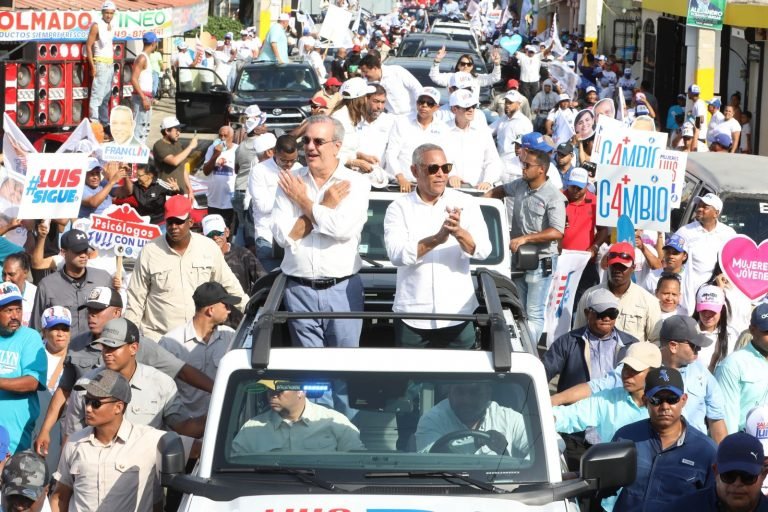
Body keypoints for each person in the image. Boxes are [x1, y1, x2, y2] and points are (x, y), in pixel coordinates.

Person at [33, 286, 212, 457]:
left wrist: (222, 397)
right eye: (90, 311)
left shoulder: (158, 377)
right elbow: (66, 397)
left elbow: (182, 373)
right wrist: (46, 431)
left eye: (98, 311)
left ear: (133, 348)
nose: (92, 316)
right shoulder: (82, 376)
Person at [270, 116, 370, 348]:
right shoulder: (290, 181)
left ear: (337, 146)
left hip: (342, 289)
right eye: (306, 141)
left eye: (318, 141)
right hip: (298, 289)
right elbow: (283, 236)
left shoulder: (355, 183)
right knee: (308, 371)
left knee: (344, 368)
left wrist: (303, 201)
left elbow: (342, 229)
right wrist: (325, 207)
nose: (309, 147)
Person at [384, 143, 490, 348]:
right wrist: (436, 239)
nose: (441, 174)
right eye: (433, 168)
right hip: (413, 315)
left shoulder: (466, 203)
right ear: (415, 171)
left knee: (458, 380)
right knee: (412, 379)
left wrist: (459, 232)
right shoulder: (398, 208)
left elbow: (484, 250)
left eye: (446, 168)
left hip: (458, 314)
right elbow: (396, 255)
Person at [125, 195, 247, 340]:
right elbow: (135, 298)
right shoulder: (149, 251)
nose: (174, 227)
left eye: (179, 221)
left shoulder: (208, 248)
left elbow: (230, 284)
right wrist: (128, 337)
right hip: (159, 339)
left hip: (199, 340)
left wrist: (251, 310)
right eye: (170, 222)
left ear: (190, 221)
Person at [485, 132, 566, 344]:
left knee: (534, 312)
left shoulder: (553, 196)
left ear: (541, 169)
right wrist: (483, 199)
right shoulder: (520, 185)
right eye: (523, 164)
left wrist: (525, 239)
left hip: (541, 260)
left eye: (527, 165)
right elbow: (501, 190)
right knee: (519, 308)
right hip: (519, 258)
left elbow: (557, 232)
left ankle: (527, 351)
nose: (523, 168)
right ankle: (519, 345)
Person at [62, 318, 205, 439]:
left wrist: (216, 417)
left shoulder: (161, 384)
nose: (107, 353)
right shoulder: (85, 386)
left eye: (113, 347)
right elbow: (72, 439)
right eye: (104, 347)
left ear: (133, 348)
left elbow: (183, 427)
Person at [50, 370, 171, 512]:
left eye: (95, 403)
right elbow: (60, 497)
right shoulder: (74, 442)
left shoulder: (148, 439)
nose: (88, 408)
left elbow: (197, 450)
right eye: (86, 400)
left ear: (118, 407)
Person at [608, 367, 716, 512]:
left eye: (672, 399)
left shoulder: (707, 451)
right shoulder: (625, 437)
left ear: (683, 400)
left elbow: (715, 503)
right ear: (645, 400)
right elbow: (602, 483)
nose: (665, 406)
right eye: (656, 400)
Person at [553, 342, 662, 444]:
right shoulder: (607, 399)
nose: (626, 374)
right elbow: (570, 416)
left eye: (635, 370)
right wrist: (547, 417)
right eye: (625, 367)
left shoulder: (671, 404)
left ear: (654, 372)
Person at [158, 282, 237, 417]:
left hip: (220, 423)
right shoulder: (170, 344)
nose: (229, 310)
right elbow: (159, 388)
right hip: (184, 428)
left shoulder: (231, 337)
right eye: (226, 306)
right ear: (210, 310)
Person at [544, 288, 638, 392]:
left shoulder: (632, 345)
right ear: (587, 313)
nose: (607, 318)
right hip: (577, 406)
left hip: (617, 405)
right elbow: (543, 372)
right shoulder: (567, 342)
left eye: (612, 313)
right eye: (602, 313)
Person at [231, 379, 364, 453]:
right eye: (269, 390)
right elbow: (233, 470)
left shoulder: (334, 422)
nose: (272, 395)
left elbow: (357, 462)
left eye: (279, 390)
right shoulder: (252, 429)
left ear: (301, 392)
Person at [30, 230, 112, 337]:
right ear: (63, 252)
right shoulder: (47, 286)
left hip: (95, 350)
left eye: (85, 250)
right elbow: (36, 329)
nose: (83, 255)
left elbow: (114, 317)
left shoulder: (103, 278)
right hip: (61, 351)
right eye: (78, 251)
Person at [574, 242, 662, 342]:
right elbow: (578, 334)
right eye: (614, 265)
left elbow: (657, 341)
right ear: (608, 265)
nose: (617, 270)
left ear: (633, 268)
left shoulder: (648, 301)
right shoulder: (589, 295)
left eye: (623, 266)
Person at [415, 381, 529, 455]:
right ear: (449, 394)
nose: (466, 400)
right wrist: (476, 442)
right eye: (460, 392)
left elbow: (539, 452)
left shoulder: (508, 418)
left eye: (475, 392)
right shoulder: (432, 419)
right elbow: (430, 458)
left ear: (488, 394)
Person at [662, 432, 768, 512]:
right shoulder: (682, 508)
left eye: (747, 476)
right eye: (729, 475)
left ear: (763, 475)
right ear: (716, 472)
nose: (737, 483)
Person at [0, 283, 46, 455]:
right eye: (8, 310)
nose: (15, 316)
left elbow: (31, 382)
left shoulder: (30, 337)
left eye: (18, 309)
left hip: (16, 438)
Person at [674, 193, 736, 314]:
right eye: (699, 206)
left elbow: (736, 260)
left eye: (705, 207)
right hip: (690, 295)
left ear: (716, 213)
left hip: (718, 294)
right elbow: (671, 257)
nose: (699, 209)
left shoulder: (729, 234)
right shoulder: (685, 232)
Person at [249, 134, 301, 272]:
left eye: (293, 160)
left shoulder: (300, 169)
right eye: (284, 160)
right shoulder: (259, 171)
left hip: (295, 238)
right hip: (267, 238)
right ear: (274, 152)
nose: (289, 165)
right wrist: (291, 195)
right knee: (271, 287)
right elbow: (263, 207)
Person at [201, 214, 264, 327]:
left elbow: (263, 281)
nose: (215, 238)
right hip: (213, 326)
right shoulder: (200, 260)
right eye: (210, 235)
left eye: (218, 233)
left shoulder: (243, 254)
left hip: (242, 323)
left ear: (227, 232)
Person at [715, 303, 768, 434]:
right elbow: (727, 419)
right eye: (767, 331)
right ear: (752, 330)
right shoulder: (732, 365)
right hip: (746, 445)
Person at [384, 87, 448, 193]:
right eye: (421, 101)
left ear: (436, 107)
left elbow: (445, 159)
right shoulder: (402, 122)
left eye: (430, 103)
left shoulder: (443, 129)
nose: (424, 105)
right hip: (400, 184)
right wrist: (401, 178)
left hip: (428, 186)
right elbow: (391, 153)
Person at [443, 89, 502, 190]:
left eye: (473, 106)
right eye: (466, 107)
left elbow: (493, 161)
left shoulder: (483, 131)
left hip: (478, 190)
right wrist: (450, 175)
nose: (471, 110)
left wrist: (487, 181)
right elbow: (439, 161)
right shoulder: (442, 131)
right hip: (451, 190)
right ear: (454, 109)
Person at [693, 284, 740, 372]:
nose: (707, 315)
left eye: (712, 310)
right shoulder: (687, 330)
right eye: (703, 310)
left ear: (722, 310)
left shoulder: (732, 334)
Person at [430, 47, 501, 105]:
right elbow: (435, 76)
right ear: (458, 65)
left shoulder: (476, 78)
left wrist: (497, 64)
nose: (466, 66)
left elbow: (495, 78)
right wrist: (437, 61)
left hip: (472, 111)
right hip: (454, 109)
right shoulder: (451, 77)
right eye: (463, 64)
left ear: (472, 67)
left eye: (469, 64)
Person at [85, 1, 116, 126]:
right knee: (97, 96)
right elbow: (88, 46)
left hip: (110, 64)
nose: (109, 15)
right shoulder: (96, 26)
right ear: (102, 13)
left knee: (106, 96)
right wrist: (92, 66)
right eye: (107, 13)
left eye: (111, 13)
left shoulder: (111, 25)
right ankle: (94, 122)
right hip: (100, 63)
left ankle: (104, 122)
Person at [490, 89, 534, 176]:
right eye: (506, 102)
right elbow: (487, 132)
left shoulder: (524, 122)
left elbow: (526, 147)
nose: (507, 105)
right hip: (500, 160)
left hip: (515, 165)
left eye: (510, 103)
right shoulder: (502, 119)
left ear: (518, 104)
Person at [152, 116, 198, 198]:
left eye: (179, 130)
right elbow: (174, 161)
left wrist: (190, 190)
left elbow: (183, 169)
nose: (179, 133)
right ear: (167, 131)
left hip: (181, 191)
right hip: (166, 192)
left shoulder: (178, 145)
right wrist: (190, 147)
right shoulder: (159, 145)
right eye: (176, 130)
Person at [202, 125, 238, 228]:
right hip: (214, 201)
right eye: (220, 135)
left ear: (232, 137)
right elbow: (206, 171)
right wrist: (215, 155)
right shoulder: (212, 149)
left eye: (225, 136)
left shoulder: (237, 150)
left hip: (229, 202)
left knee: (228, 231)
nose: (222, 139)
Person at [129, 32, 158, 144]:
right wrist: (143, 97)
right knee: (139, 130)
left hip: (145, 97)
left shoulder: (145, 57)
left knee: (144, 128)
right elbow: (134, 79)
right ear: (154, 43)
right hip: (141, 98)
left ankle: (140, 156)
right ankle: (135, 159)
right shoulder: (142, 58)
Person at [3, 252, 36, 327]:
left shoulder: (36, 295)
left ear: (25, 273)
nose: (6, 279)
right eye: (4, 274)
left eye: (11, 274)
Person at [687, 84, 707, 151]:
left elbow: (701, 119)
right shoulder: (696, 103)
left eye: (688, 92)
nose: (687, 94)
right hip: (697, 135)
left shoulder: (699, 103)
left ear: (691, 93)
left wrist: (691, 119)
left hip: (699, 136)